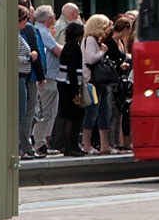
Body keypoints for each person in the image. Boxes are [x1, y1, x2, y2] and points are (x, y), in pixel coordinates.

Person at [81, 13, 115, 154]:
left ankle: (104, 144)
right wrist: (102, 52)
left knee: (104, 112)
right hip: (92, 81)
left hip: (99, 82)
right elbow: (91, 58)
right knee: (92, 112)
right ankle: (87, 144)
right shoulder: (89, 40)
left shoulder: (94, 40)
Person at [33, 5, 62, 156]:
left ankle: (41, 142)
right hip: (47, 78)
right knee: (45, 112)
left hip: (46, 77)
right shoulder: (42, 32)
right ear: (50, 18)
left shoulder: (40, 31)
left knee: (46, 111)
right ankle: (40, 143)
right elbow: (57, 51)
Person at [16, 5, 42, 159]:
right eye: (26, 18)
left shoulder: (18, 34)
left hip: (22, 76)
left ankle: (20, 146)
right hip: (19, 76)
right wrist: (29, 57)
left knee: (22, 113)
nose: (27, 22)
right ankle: (18, 147)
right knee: (20, 114)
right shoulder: (14, 35)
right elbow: (10, 56)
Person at [104, 17, 132, 153]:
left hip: (119, 79)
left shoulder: (120, 42)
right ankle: (110, 141)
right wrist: (121, 64)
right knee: (112, 110)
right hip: (112, 79)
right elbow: (110, 60)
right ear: (125, 29)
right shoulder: (109, 42)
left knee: (118, 112)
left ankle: (116, 141)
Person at [57, 22, 85, 156]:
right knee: (71, 116)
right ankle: (70, 146)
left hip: (65, 84)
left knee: (73, 116)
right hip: (69, 86)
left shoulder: (69, 46)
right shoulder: (73, 47)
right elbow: (72, 71)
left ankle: (72, 145)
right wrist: (76, 92)